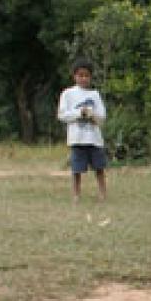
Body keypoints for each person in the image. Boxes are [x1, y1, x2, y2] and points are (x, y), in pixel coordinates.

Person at [57, 58, 108, 203]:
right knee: (76, 169)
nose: (83, 78)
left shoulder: (95, 94)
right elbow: (62, 115)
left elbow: (102, 117)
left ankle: (102, 194)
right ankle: (76, 195)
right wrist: (80, 113)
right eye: (80, 75)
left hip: (94, 139)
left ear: (91, 76)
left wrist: (92, 115)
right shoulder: (68, 93)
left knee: (99, 168)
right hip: (77, 138)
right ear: (74, 76)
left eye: (86, 75)